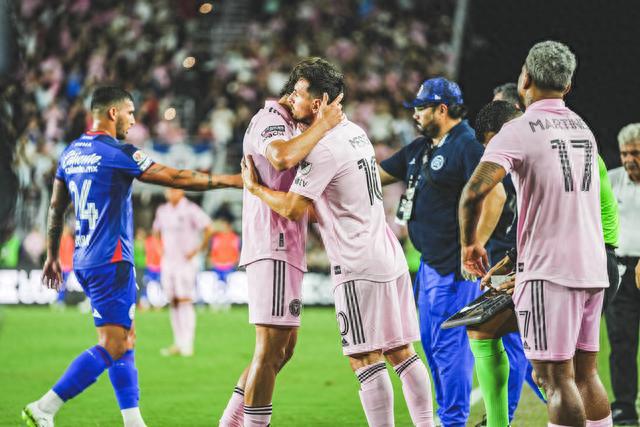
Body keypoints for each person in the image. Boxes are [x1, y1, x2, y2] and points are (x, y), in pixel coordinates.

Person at [24, 86, 242, 427]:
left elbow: (55, 209)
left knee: (126, 339)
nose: (133, 119)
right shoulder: (117, 152)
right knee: (112, 344)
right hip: (111, 261)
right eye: (129, 112)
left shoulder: (70, 153)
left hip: (85, 258)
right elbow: (176, 176)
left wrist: (53, 255)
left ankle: (133, 421)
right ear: (113, 113)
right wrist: (233, 180)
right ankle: (46, 407)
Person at [241, 57, 434, 427]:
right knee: (402, 352)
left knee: (364, 358)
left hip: (357, 262)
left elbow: (294, 208)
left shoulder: (323, 148)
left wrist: (256, 189)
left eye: (297, 94)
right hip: (387, 253)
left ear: (318, 103)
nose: (290, 100)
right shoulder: (357, 132)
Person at [459, 41, 612, 426]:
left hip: (550, 273)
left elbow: (474, 191)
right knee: (586, 373)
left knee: (554, 378)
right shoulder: (583, 128)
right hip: (592, 267)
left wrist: (469, 245)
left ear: (525, 77)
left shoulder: (519, 128)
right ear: (568, 86)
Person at [218, 58, 344, 427]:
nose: (317, 110)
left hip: (286, 247)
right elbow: (281, 155)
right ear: (295, 93)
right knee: (269, 349)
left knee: (283, 350)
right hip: (271, 244)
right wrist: (321, 127)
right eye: (314, 100)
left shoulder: (294, 124)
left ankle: (229, 423)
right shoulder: (270, 118)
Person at [377, 77, 506, 426]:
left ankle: (452, 420)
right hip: (429, 265)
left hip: (453, 266)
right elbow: (375, 176)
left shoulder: (466, 145)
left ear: (442, 109)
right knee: (433, 348)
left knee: (449, 349)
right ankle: (448, 417)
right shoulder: (422, 148)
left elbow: (496, 195)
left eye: (421, 108)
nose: (416, 114)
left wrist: (474, 245)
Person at [605, 123, 640, 425]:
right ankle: (624, 406)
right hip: (620, 270)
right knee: (621, 341)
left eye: (637, 153)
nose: (630, 159)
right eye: (626, 153)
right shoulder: (612, 180)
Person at [153, 188, 215, 357]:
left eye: (174, 189)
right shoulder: (162, 210)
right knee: (173, 301)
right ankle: (178, 342)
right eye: (168, 190)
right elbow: (156, 231)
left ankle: (187, 343)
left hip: (185, 262)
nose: (171, 192)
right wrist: (160, 251)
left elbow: (209, 227)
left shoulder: (190, 209)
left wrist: (197, 250)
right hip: (168, 262)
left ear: (181, 192)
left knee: (184, 300)